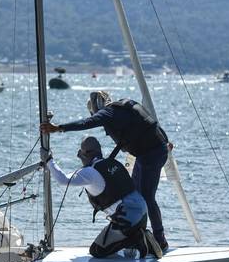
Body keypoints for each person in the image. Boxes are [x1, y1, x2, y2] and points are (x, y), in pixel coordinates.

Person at [40, 91, 170, 250]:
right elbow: (149, 124)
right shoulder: (124, 106)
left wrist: (58, 128)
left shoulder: (107, 113)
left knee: (147, 198)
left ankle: (160, 240)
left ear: (97, 108)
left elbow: (86, 123)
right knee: (135, 194)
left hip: (151, 154)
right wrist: (165, 142)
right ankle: (138, 235)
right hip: (152, 151)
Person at [42, 136, 160, 259]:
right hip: (142, 212)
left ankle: (137, 239)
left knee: (97, 250)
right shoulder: (114, 163)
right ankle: (140, 237)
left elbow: (63, 180)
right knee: (118, 245)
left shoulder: (90, 172)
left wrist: (49, 160)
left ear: (86, 155)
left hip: (127, 219)